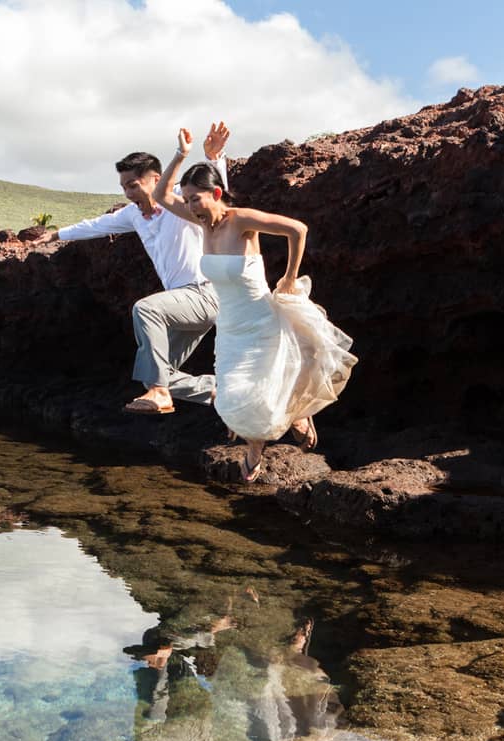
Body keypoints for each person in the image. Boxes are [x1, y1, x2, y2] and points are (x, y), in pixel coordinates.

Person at [151, 127, 357, 481]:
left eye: (196, 198)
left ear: (216, 194)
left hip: (260, 320)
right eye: (187, 200)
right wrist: (182, 154)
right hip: (229, 325)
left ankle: (259, 446)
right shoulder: (201, 223)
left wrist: (291, 277)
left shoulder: (241, 220)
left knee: (261, 387)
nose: (190, 206)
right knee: (230, 395)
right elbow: (159, 194)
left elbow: (298, 229)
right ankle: (285, 421)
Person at [46, 124, 231, 414]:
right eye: (123, 187)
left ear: (155, 180)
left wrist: (214, 158)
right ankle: (224, 391)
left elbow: (215, 199)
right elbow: (95, 226)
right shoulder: (133, 215)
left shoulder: (181, 200)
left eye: (133, 185)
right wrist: (56, 235)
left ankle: (159, 393)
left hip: (205, 293)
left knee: (146, 310)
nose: (128, 192)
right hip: (182, 303)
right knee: (153, 371)